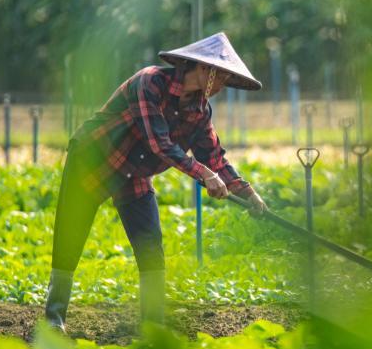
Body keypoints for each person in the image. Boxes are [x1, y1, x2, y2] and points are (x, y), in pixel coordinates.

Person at [44, 32, 267, 333]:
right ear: (205, 69)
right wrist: (202, 174)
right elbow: (158, 144)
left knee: (150, 246)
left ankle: (152, 325)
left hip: (133, 174)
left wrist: (248, 192)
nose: (222, 86)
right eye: (223, 78)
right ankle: (53, 319)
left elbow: (214, 156)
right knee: (70, 237)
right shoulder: (150, 83)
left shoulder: (200, 111)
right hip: (94, 160)